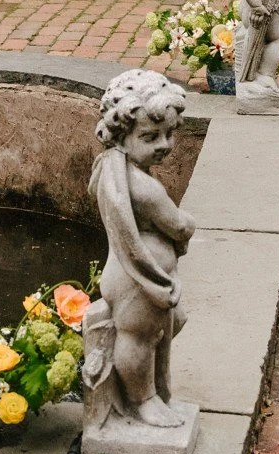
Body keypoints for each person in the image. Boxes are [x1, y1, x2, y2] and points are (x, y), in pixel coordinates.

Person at [82, 68, 195, 433]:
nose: (163, 145)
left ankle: (146, 389)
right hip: (138, 278)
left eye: (168, 134)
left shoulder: (115, 169)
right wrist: (188, 224)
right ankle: (141, 399)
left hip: (135, 274)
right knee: (138, 337)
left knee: (167, 325)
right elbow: (177, 225)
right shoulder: (144, 189)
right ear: (120, 137)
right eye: (150, 137)